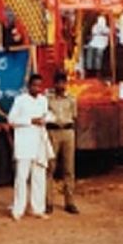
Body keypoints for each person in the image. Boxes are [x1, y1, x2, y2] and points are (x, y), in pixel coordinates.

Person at [8, 74, 54, 221]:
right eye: (34, 85)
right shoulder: (20, 100)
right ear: (29, 86)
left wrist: (45, 119)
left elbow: (50, 116)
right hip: (24, 143)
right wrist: (30, 120)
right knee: (21, 178)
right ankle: (18, 210)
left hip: (39, 142)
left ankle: (37, 209)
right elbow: (11, 119)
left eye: (39, 86)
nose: (37, 88)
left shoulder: (43, 100)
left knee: (39, 177)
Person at [46, 71, 79, 215]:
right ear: (54, 83)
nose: (61, 85)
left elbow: (74, 116)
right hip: (52, 132)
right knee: (50, 167)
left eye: (63, 82)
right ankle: (48, 202)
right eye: (58, 82)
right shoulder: (47, 98)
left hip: (68, 132)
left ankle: (69, 202)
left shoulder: (71, 99)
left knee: (69, 168)